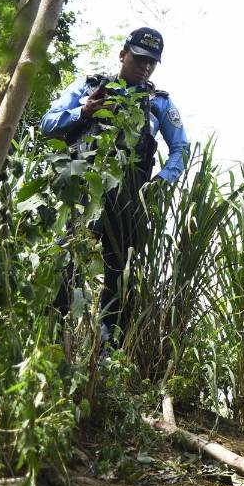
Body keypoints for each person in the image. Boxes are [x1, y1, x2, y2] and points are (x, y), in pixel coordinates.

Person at [42, 27, 189, 346]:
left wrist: (162, 181)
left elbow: (181, 147)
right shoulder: (90, 86)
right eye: (139, 59)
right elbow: (47, 123)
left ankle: (109, 354)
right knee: (67, 262)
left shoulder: (160, 103)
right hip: (84, 192)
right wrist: (84, 111)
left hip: (128, 201)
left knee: (120, 276)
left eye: (152, 62)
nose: (145, 67)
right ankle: (54, 340)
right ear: (123, 54)